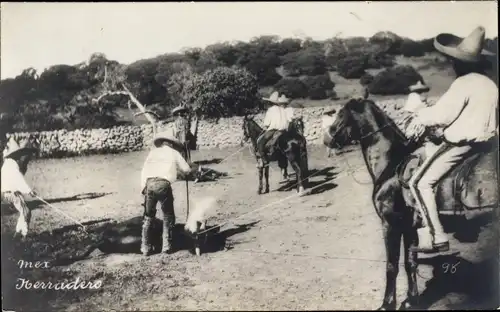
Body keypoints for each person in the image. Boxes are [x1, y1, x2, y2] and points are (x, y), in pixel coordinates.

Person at [406, 26, 498, 254]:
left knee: (418, 182)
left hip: (462, 145)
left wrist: (418, 114)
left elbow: (441, 115)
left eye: (453, 61)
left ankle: (436, 235)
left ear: (460, 63)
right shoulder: (490, 84)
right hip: (488, 144)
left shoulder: (463, 83)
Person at [140, 128, 198, 256]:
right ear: (171, 143)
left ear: (161, 142)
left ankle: (145, 248)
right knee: (168, 215)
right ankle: (166, 247)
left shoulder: (152, 153)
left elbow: (144, 171)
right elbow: (187, 169)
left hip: (149, 184)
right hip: (163, 184)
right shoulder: (173, 153)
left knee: (148, 217)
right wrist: (191, 169)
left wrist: (143, 188)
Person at [1, 137, 38, 237]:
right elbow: (19, 179)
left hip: (10, 192)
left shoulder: (9, 163)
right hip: (11, 193)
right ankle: (24, 235)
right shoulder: (12, 165)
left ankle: (18, 232)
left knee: (24, 211)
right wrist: (29, 191)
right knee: (26, 211)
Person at [256, 91, 293, 166]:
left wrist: (265, 127)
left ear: (270, 103)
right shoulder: (283, 109)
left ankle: (264, 160)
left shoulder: (270, 110)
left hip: (273, 130)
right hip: (283, 131)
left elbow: (266, 123)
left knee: (260, 142)